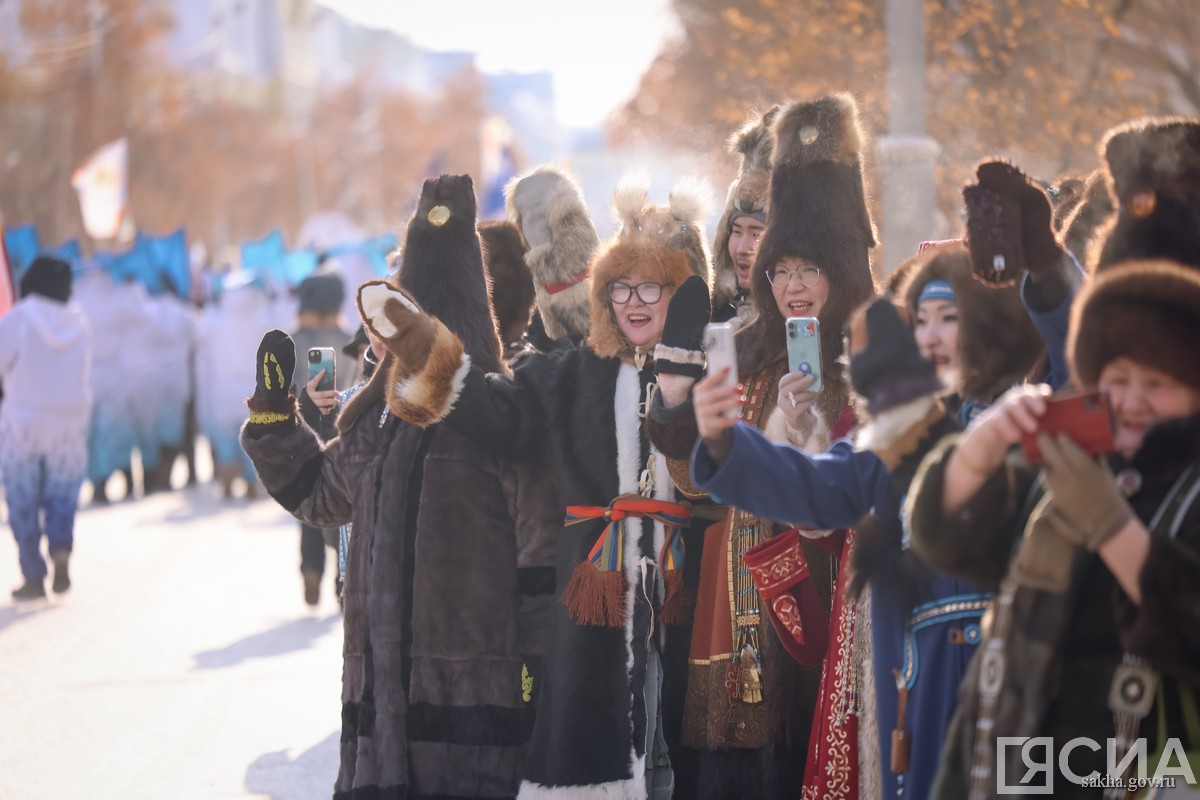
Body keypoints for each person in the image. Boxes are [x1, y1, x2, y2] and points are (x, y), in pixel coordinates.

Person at [358, 175, 714, 799]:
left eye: (650, 288)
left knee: (689, 749)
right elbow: (495, 413)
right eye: (620, 287)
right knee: (599, 751)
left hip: (693, 587)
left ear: (677, 296)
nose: (633, 302)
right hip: (593, 596)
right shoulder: (572, 374)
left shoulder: (713, 370)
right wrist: (422, 346)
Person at [908, 114, 1200, 800]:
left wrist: (1115, 529)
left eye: (1157, 383)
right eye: (1118, 377)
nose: (1132, 400)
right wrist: (979, 451)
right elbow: (951, 541)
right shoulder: (1075, 454)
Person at [242, 175, 560, 799]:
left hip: (473, 711)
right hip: (380, 711)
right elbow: (320, 494)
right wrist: (276, 418)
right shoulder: (379, 417)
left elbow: (539, 553)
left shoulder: (498, 411)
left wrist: (535, 672)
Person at [646, 94, 875, 800]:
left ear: (840, 269)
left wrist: (805, 437)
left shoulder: (869, 359)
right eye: (780, 270)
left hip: (831, 596)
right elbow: (694, 481)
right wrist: (677, 406)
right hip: (741, 598)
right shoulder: (741, 350)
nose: (792, 286)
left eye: (809, 269)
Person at [0, 256, 92, 599]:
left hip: (23, 422)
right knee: (61, 494)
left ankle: (33, 575)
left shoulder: (19, 318)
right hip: (69, 422)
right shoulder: (80, 321)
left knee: (23, 500)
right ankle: (61, 547)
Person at [290, 270, 355, 606]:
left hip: (305, 436)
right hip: (343, 436)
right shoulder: (349, 341)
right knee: (343, 511)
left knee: (309, 507)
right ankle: (341, 578)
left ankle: (310, 568)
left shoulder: (293, 342)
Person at [710, 107, 778, 325]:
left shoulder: (805, 322)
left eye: (756, 234)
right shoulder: (711, 317)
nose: (742, 248)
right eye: (737, 232)